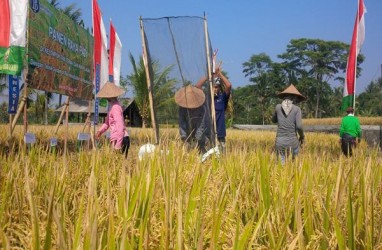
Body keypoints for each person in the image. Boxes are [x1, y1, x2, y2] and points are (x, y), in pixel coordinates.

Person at [272, 84, 306, 165]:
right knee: (294, 166)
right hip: (293, 141)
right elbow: (299, 127)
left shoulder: (277, 107)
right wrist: (302, 136)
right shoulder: (297, 109)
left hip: (280, 141)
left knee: (281, 167)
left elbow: (273, 120)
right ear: (294, 97)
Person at [95, 81, 130, 158]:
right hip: (118, 138)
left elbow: (120, 127)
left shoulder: (116, 108)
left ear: (109, 97)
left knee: (117, 166)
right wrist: (100, 131)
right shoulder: (112, 107)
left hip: (120, 139)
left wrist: (118, 145)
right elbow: (107, 123)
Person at [175, 84, 208, 154]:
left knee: (201, 148)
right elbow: (181, 123)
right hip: (187, 131)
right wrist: (184, 137)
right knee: (187, 152)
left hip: (199, 133)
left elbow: (201, 125)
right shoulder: (182, 109)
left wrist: (197, 140)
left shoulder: (202, 109)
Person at [212, 68, 232, 154]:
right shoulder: (208, 98)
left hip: (220, 132)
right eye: (213, 87)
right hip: (210, 133)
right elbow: (197, 86)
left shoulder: (222, 98)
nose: (215, 89)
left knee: (222, 154)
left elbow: (229, 86)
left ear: (219, 88)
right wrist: (208, 76)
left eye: (216, 87)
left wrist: (219, 74)